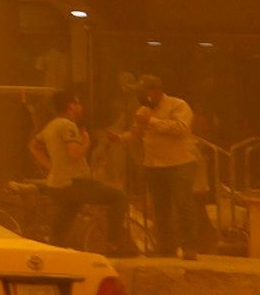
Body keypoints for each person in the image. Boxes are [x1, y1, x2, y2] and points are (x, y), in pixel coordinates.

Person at [31, 93, 117, 252]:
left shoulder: (50, 126)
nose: (81, 107)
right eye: (78, 103)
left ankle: (55, 256)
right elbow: (74, 153)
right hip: (75, 183)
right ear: (71, 106)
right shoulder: (68, 125)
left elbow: (34, 146)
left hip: (57, 185)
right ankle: (115, 243)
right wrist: (86, 142)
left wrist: (51, 166)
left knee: (60, 231)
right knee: (118, 197)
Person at [131, 75, 200, 258]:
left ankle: (189, 246)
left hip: (180, 162)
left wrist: (151, 121)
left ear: (155, 92)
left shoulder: (178, 105)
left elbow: (181, 128)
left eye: (144, 93)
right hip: (154, 164)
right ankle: (166, 246)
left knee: (183, 203)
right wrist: (135, 128)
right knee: (160, 207)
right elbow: (139, 134)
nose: (142, 97)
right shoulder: (144, 110)